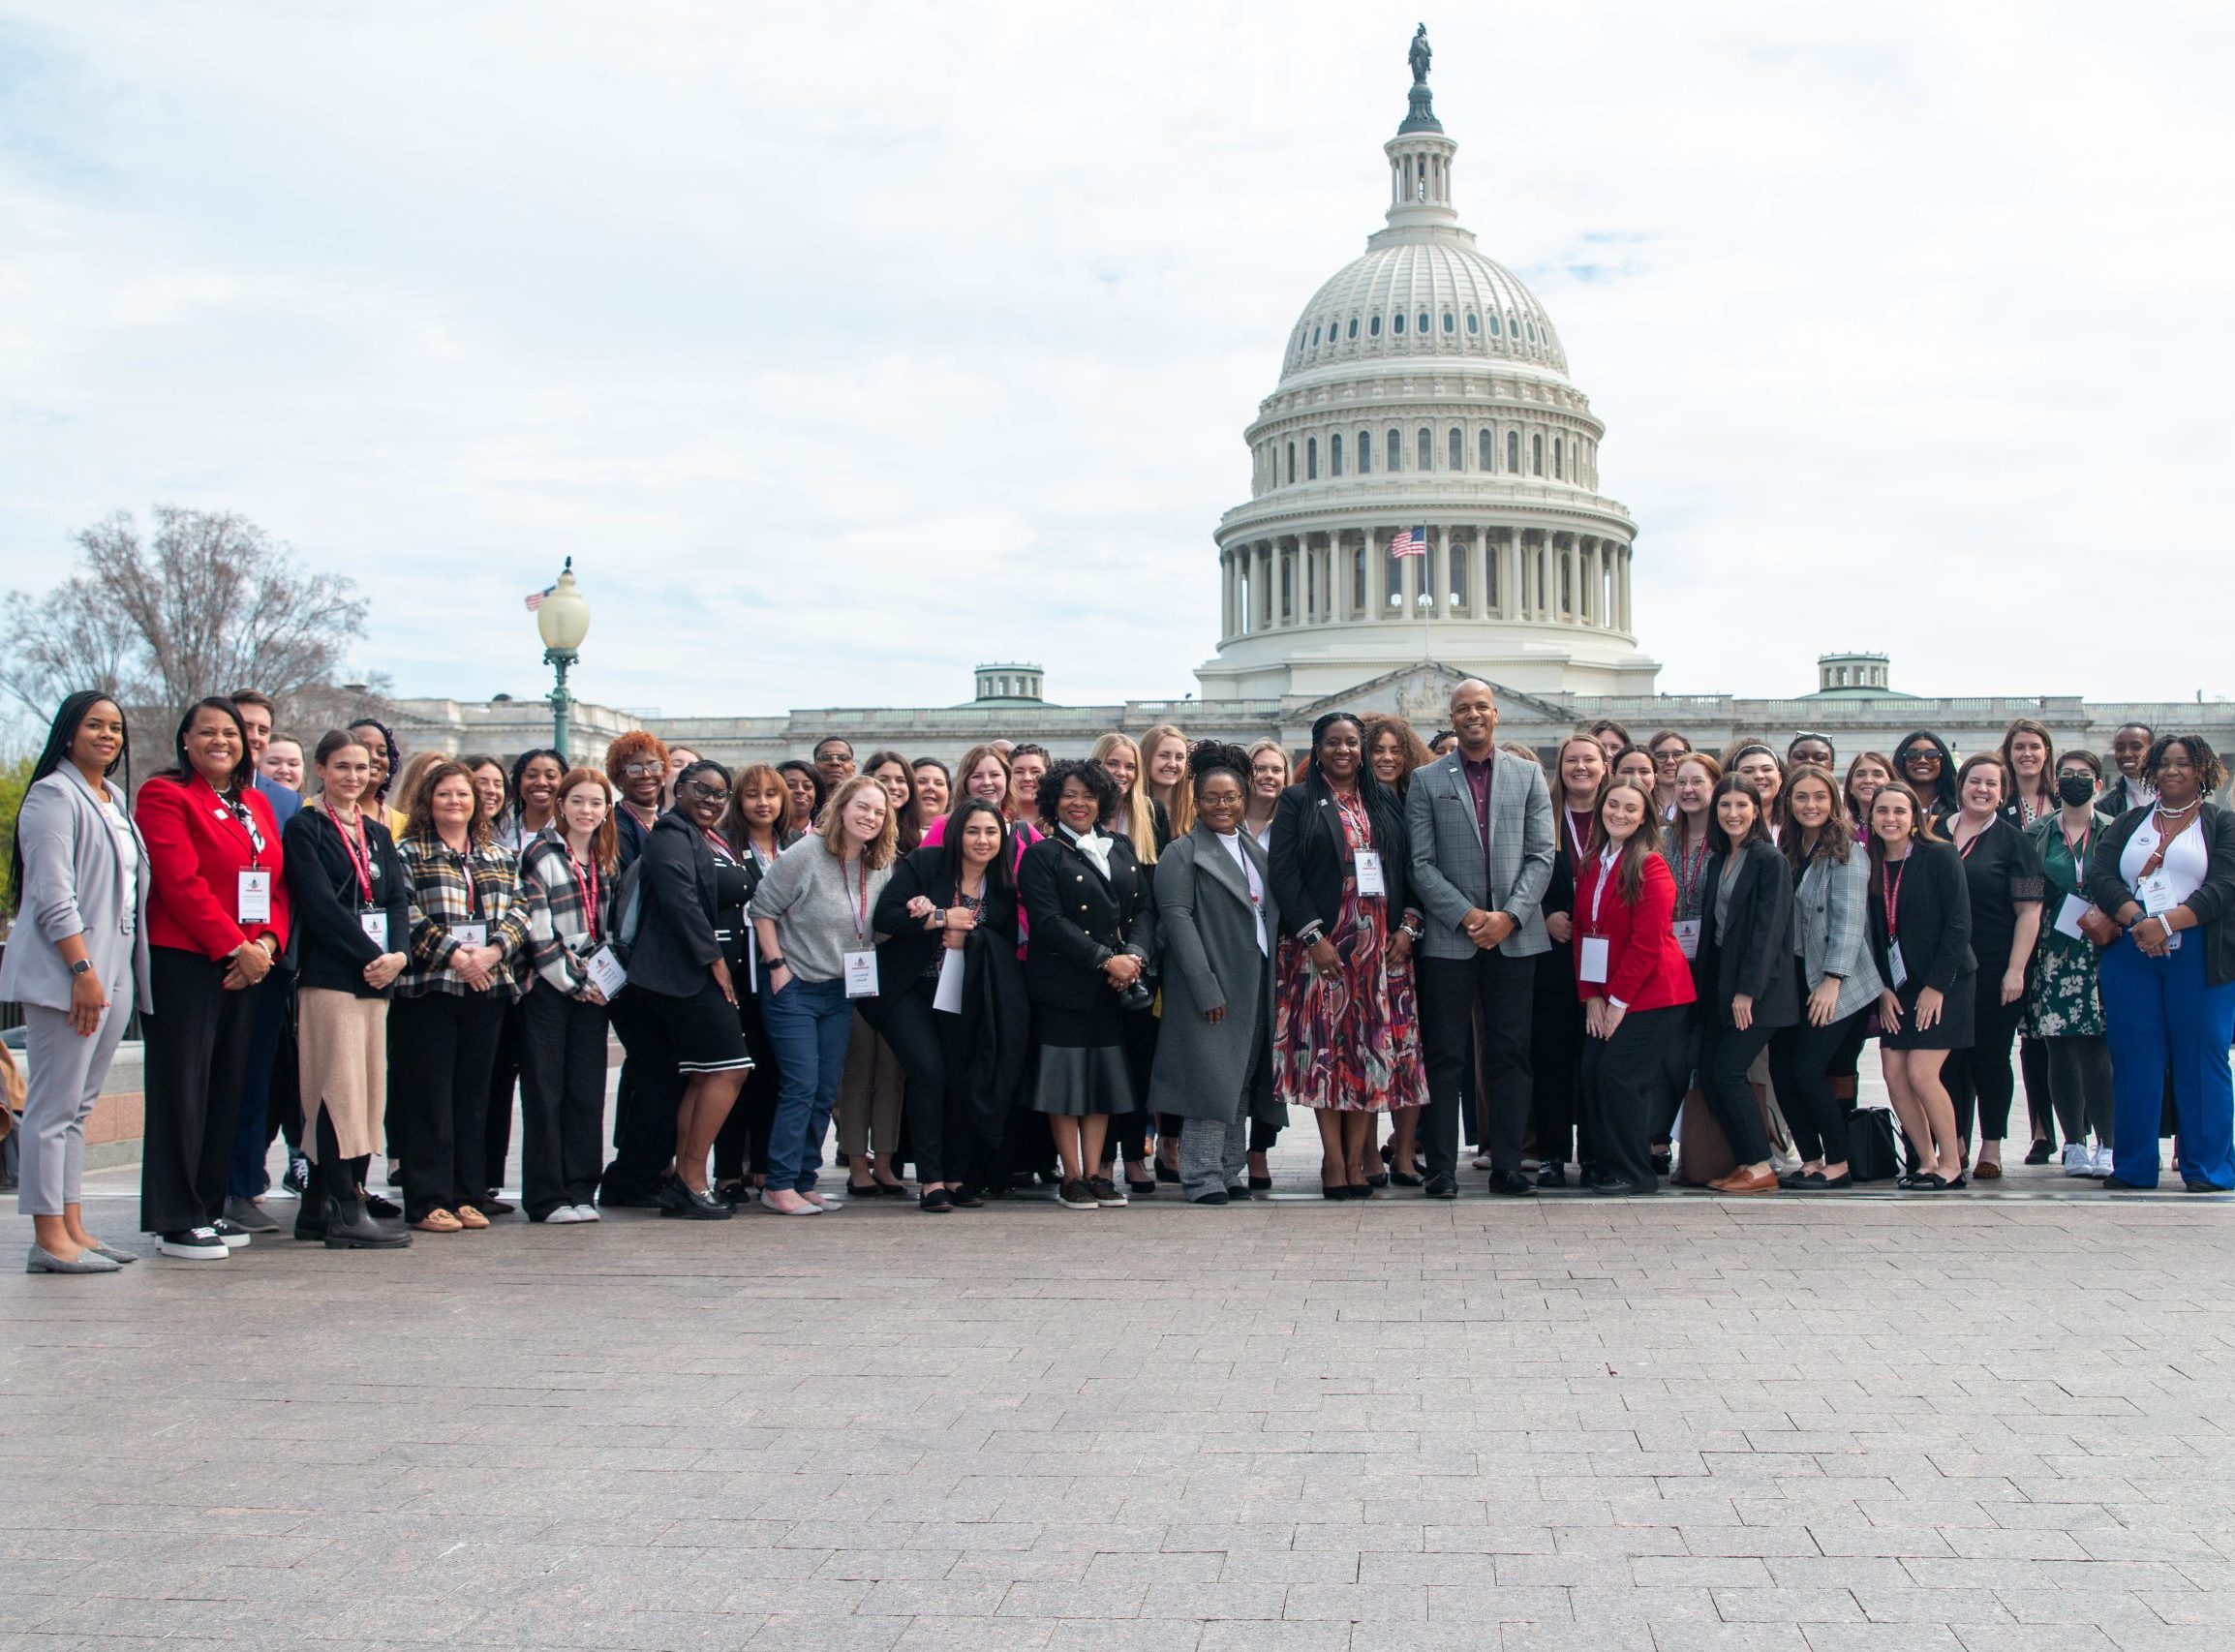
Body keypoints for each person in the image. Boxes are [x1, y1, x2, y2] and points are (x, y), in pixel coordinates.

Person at [134, 698, 289, 1260]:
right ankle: (175, 1217)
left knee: (227, 1085)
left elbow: (275, 884)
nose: (222, 741)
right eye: (208, 732)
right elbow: (180, 882)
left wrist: (267, 942)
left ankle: (208, 1204)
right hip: (187, 961)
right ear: (185, 740)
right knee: (183, 1087)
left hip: (248, 964)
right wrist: (235, 946)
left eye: (231, 733)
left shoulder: (254, 803)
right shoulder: (164, 795)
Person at [1, 692, 151, 1272]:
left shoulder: (112, 799)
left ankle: (73, 1226)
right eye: (95, 725)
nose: (108, 736)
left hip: (114, 969)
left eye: (115, 727)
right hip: (74, 970)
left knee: (80, 1106)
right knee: (52, 1105)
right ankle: (47, 1236)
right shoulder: (52, 796)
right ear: (68, 733)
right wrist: (82, 970)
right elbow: (49, 892)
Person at [1406, 679, 1556, 1198]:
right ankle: (1441, 1169)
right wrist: (1469, 915)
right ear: (1452, 718)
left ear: (1496, 713)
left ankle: (1508, 1166)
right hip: (1451, 938)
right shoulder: (1427, 780)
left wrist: (1509, 917)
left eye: (1480, 707)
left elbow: (1543, 855)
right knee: (1446, 1055)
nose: (1472, 715)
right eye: (1462, 709)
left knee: (1511, 1053)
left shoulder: (1529, 774)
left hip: (1515, 937)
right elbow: (1419, 863)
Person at [1270, 713, 1426, 1197]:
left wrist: (1409, 927)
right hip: (1326, 952)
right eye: (1333, 743)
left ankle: (1361, 1162)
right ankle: (1334, 1162)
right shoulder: (1298, 801)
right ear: (1317, 750)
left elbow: (1412, 870)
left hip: (1382, 952)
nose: (1344, 751)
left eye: (1352, 743)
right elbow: (1284, 875)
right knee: (1328, 1056)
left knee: (1370, 1056)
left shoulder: (1386, 803)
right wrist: (1313, 938)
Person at [2084, 734, 2235, 1192]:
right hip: (2132, 953)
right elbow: (2100, 875)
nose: (2172, 771)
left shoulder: (2222, 823)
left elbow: (2225, 885)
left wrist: (2167, 924)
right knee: (2134, 1058)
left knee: (2202, 1057)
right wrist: (2138, 921)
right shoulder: (2129, 822)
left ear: (2202, 771)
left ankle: (2207, 1168)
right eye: (2164, 763)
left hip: (2200, 956)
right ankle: (2132, 1166)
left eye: (2183, 763)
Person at [279, 730, 412, 1249]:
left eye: (361, 768)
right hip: (332, 975)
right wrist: (370, 955)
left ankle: (317, 1209)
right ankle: (345, 1206)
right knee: (334, 1088)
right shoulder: (305, 827)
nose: (353, 777)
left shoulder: (376, 833)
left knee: (367, 1091)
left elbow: (397, 899)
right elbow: (318, 905)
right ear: (320, 769)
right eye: (341, 767)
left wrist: (397, 955)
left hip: (378, 979)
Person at [870, 797, 1030, 1210]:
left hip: (963, 997)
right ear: (957, 832)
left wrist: (970, 936)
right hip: (909, 991)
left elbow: (1005, 941)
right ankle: (930, 1180)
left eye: (991, 832)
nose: (982, 840)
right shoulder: (927, 864)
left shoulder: (1003, 886)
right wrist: (939, 918)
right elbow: (885, 916)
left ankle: (957, 1176)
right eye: (973, 830)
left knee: (961, 1080)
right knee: (928, 1072)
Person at [752, 773, 899, 1214]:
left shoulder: (879, 862)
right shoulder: (806, 853)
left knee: (822, 1089)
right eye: (862, 807)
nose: (869, 817)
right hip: (795, 987)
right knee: (799, 1085)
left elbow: (880, 918)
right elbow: (762, 909)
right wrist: (777, 966)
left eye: (878, 811)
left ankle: (803, 1179)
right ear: (841, 807)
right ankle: (777, 1184)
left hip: (841, 991)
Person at [391, 761, 528, 1233]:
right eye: (445, 794)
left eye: (463, 795)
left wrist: (491, 953)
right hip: (429, 988)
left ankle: (468, 1193)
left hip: (485, 987)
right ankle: (429, 1198)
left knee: (473, 1097)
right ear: (428, 800)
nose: (455, 802)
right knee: (428, 1096)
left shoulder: (497, 854)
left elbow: (520, 909)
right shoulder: (407, 852)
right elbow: (403, 913)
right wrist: (454, 955)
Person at [1143, 745, 1282, 1205]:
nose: (1223, 806)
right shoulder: (1182, 854)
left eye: (1231, 797)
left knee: (1240, 1080)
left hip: (1255, 983)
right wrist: (1205, 987)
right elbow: (1177, 922)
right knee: (1209, 1082)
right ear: (1197, 802)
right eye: (1212, 798)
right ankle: (1201, 1176)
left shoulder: (1254, 851)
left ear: (1244, 799)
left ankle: (1228, 1167)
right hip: (1212, 985)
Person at [1018, 759, 1157, 1209]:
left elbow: (1143, 910)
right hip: (1064, 984)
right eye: (1069, 795)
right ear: (1053, 800)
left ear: (1103, 801)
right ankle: (1072, 1176)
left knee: (1099, 1081)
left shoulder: (1119, 846)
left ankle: (1097, 1172)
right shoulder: (1043, 853)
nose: (1079, 803)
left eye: (1088, 795)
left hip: (1113, 987)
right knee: (1065, 1083)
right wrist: (1104, 960)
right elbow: (1048, 922)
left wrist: (1134, 957)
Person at [624, 759, 758, 1218]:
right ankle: (692, 1179)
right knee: (731, 1069)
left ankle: (686, 1180)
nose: (711, 800)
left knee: (705, 1075)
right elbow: (680, 900)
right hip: (683, 974)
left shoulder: (703, 836)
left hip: (694, 972)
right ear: (677, 788)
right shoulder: (669, 834)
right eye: (702, 789)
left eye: (721, 794)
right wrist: (716, 962)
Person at [1572, 779, 1695, 1194]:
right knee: (1591, 1072)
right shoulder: (1593, 862)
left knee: (1619, 1075)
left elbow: (1648, 943)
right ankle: (1602, 1163)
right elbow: (1584, 935)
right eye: (1613, 805)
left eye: (1630, 809)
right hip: (1608, 993)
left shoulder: (1650, 865)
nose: (1619, 814)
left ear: (1644, 818)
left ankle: (1634, 1173)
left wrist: (1618, 1001)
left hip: (1654, 994)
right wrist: (1590, 995)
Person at [1766, 765, 1883, 1190]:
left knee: (1808, 1070)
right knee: (1782, 1069)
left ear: (1833, 802)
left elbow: (1850, 923)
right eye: (1801, 798)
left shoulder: (1847, 851)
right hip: (1796, 975)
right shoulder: (1793, 849)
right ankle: (1811, 1158)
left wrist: (1832, 980)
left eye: (1819, 797)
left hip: (1838, 979)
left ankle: (1839, 1161)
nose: (1810, 805)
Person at [514, 768, 622, 1224]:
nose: (587, 811)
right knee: (546, 1091)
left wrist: (605, 981)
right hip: (550, 990)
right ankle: (547, 1195)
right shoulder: (539, 852)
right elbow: (538, 934)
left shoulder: (604, 856)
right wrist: (578, 984)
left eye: (596, 803)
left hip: (594, 989)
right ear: (561, 804)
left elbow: (611, 926)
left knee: (587, 1092)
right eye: (577, 801)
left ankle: (581, 1188)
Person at [1939, 753, 2044, 1178]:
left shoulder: (2015, 841)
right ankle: (1954, 1142)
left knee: (1989, 1057)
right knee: (1946, 1060)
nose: (1982, 789)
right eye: (1974, 781)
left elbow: (2030, 909)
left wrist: (2016, 969)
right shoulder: (1932, 832)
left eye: (1992, 784)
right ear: (1961, 784)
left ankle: (1992, 1146)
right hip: (1941, 968)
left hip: (1995, 965)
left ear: (2003, 794)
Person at [1691, 775, 1797, 1195]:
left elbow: (1767, 934)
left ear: (1756, 810)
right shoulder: (1720, 858)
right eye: (1724, 806)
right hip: (1721, 987)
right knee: (1714, 1073)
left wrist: (1747, 992)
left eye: (1741, 805)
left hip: (1758, 993)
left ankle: (1760, 1164)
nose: (1732, 814)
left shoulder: (1768, 860)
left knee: (1728, 1072)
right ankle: (1747, 1160)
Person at [1865, 781, 1975, 1189]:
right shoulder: (1871, 863)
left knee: (1922, 1072)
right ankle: (1925, 1160)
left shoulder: (1940, 855)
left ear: (1915, 818)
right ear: (1871, 819)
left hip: (1944, 982)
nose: (1890, 819)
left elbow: (1959, 924)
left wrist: (1936, 986)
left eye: (1899, 811)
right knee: (1894, 1071)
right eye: (1882, 811)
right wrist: (1882, 989)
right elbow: (1873, 935)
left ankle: (1952, 1162)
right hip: (1897, 986)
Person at [221, 688, 301, 1233]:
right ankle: (205, 1188)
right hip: (213, 955)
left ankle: (243, 1186)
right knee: (212, 1079)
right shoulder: (186, 791)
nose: (253, 738)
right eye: (242, 726)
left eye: (262, 730)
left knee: (255, 1079)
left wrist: (268, 947)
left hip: (269, 960)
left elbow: (286, 886)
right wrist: (234, 945)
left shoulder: (284, 801)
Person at [2026, 749, 2118, 1177]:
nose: (2075, 781)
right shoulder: (2037, 832)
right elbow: (2024, 894)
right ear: (2055, 783)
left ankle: (2109, 1142)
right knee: (2059, 1049)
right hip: (2054, 948)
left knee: (2099, 1049)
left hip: (2104, 946)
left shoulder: (2117, 830)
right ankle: (2074, 1143)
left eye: (2085, 775)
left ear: (2099, 784)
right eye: (2067, 775)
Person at [711, 764, 797, 1200]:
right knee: (740, 1070)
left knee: (774, 1071)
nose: (763, 803)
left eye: (771, 794)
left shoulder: (795, 846)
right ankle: (728, 1169)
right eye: (751, 795)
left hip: (785, 970)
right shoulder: (724, 846)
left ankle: (763, 1164)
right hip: (740, 971)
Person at [1534, 732, 1609, 1187]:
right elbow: (1519, 869)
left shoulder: (1622, 812)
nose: (1580, 767)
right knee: (1552, 1056)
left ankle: (1597, 1154)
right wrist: (1542, 916)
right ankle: (1552, 1153)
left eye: (1590, 760)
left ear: (1605, 766)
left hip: (1607, 954)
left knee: (1598, 1057)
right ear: (1559, 768)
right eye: (1571, 760)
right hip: (1555, 952)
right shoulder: (1543, 816)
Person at [1362, 715, 1433, 1184]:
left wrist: (1409, 927)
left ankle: (1404, 1153)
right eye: (1377, 751)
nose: (1387, 759)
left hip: (1410, 944)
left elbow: (1426, 873)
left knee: (1410, 1054)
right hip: (1358, 944)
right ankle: (1365, 1155)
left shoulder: (1420, 800)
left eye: (1395, 750)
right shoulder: (1348, 803)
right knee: (1364, 1053)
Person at [1659, 752, 1722, 1163]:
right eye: (1681, 782)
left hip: (1714, 960)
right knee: (1671, 1055)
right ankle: (1660, 1136)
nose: (1688, 790)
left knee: (1707, 1055)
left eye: (1698, 782)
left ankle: (1707, 1145)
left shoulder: (1730, 838)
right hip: (1670, 959)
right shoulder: (1662, 839)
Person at [605, 731, 670, 867]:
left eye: (654, 766)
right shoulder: (614, 827)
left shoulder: (665, 822)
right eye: (634, 769)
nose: (646, 774)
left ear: (664, 773)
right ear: (618, 779)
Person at [498, 749, 565, 852]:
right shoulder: (500, 830)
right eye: (531, 775)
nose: (541, 782)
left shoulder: (572, 832)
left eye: (550, 776)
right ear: (518, 782)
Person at [345, 719, 404, 835]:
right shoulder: (307, 810)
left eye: (381, 752)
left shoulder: (403, 824)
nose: (375, 757)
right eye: (364, 749)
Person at [1141, 723, 1196, 844]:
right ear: (1146, 758)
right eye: (1164, 756)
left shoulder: (1197, 810)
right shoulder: (1129, 809)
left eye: (1179, 757)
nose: (1172, 764)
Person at [2000, 719, 2057, 828]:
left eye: (2035, 747)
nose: (2027, 753)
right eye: (2019, 747)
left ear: (2045, 754)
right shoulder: (1998, 803)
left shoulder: (2062, 799)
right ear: (2010, 755)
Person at [1894, 729, 1961, 822]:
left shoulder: (1960, 806)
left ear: (1943, 761)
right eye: (1913, 755)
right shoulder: (1889, 804)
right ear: (1902, 760)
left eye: (1932, 755)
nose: (1922, 760)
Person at [865, 750, 923, 855]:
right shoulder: (859, 832)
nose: (893, 787)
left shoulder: (920, 837)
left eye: (900, 780)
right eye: (883, 780)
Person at [2100, 722, 2156, 814]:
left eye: (2136, 747)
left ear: (2153, 750)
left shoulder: (2174, 794)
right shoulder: (2106, 806)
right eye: (2120, 748)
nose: (2127, 754)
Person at [1726, 743, 1785, 827]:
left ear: (1779, 778)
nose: (1759, 776)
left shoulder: (1795, 824)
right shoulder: (1724, 825)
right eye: (1748, 771)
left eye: (1767, 769)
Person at [1844, 752, 1894, 841]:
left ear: (1892, 783)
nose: (1868, 780)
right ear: (1850, 786)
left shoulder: (1901, 828)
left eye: (1877, 775)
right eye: (1860, 774)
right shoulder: (1841, 832)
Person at [1646, 729, 1693, 816]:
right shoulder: (1641, 804)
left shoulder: (1699, 805)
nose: (1670, 761)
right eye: (1661, 755)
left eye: (1678, 754)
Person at [778, 759, 825, 837]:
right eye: (791, 785)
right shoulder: (768, 837)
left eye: (807, 787)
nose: (800, 790)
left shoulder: (825, 838)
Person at [1009, 745, 1052, 820]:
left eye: (1035, 771)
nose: (1027, 778)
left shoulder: (1063, 821)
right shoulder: (996, 820)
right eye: (1019, 772)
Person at [910, 758, 951, 835]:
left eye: (939, 783)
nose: (931, 787)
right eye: (921, 782)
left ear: (949, 793)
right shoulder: (891, 832)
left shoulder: (960, 832)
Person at [662, 746, 702, 810]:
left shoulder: (713, 817)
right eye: (677, 765)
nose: (685, 769)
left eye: (692, 766)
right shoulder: (646, 816)